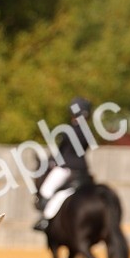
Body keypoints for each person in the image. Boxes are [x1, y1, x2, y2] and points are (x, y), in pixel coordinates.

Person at [33, 97, 96, 232]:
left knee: (46, 190)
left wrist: (52, 162)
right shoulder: (88, 132)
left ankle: (44, 220)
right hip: (83, 170)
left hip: (66, 168)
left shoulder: (69, 130)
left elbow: (62, 151)